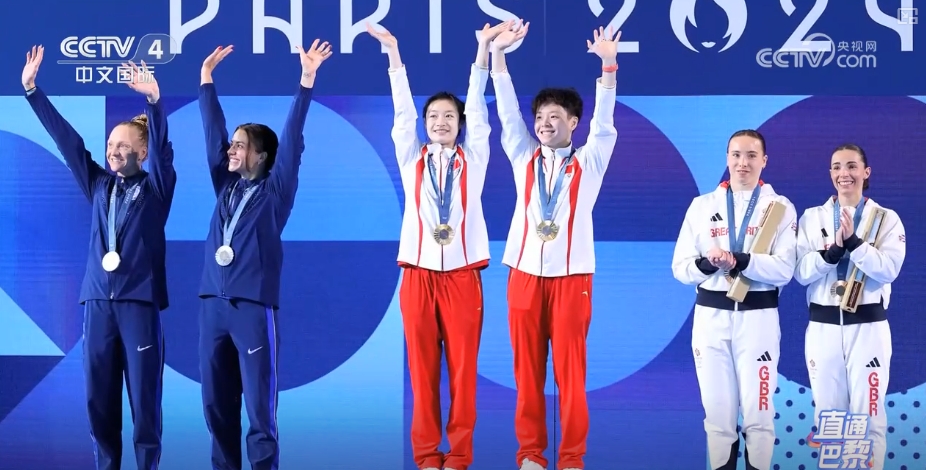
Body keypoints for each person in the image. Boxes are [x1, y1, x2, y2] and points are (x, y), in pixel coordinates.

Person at [364, 19, 509, 470]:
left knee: (464, 374)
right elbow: (400, 113)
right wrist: (393, 55)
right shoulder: (412, 158)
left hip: (463, 278)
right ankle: (427, 456)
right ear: (424, 125)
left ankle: (459, 455)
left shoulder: (475, 158)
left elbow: (480, 111)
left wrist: (482, 52)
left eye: (449, 116)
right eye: (433, 117)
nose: (440, 122)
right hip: (417, 277)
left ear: (460, 124)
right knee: (422, 374)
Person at [22, 46, 175, 470]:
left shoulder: (157, 188)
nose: (113, 151)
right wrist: (33, 91)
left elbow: (164, 153)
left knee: (144, 401)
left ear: (142, 152)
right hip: (97, 305)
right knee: (98, 400)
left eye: (123, 146)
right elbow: (68, 142)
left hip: (138, 304)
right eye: (110, 144)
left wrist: (154, 100)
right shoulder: (99, 186)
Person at [490, 21, 619, 470]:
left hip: (571, 280)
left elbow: (605, 124)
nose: (545, 125)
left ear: (573, 123)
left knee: (570, 375)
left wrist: (607, 67)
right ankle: (530, 455)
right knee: (527, 374)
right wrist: (498, 56)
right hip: (523, 277)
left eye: (555, 118)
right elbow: (507, 112)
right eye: (541, 118)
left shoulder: (590, 162)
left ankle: (571, 458)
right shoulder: (522, 155)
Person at [196, 40, 331, 470]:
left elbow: (291, 140)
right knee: (216, 408)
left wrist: (306, 81)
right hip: (212, 307)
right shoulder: (226, 186)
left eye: (240, 145)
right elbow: (212, 135)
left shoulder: (276, 192)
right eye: (233, 144)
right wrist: (206, 81)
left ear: (261, 155)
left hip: (252, 309)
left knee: (258, 410)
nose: (231, 150)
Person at [671, 129, 797, 470]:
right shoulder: (702, 206)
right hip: (711, 320)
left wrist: (740, 260)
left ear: (764, 161)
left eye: (751, 155)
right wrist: (707, 264)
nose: (743, 163)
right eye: (737, 155)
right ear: (727, 158)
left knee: (759, 415)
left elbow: (785, 269)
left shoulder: (780, 207)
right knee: (717, 418)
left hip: (758, 319)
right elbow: (680, 268)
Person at [796, 144, 905, 470]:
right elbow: (800, 272)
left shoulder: (886, 219)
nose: (844, 173)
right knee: (830, 419)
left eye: (852, 166)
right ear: (830, 173)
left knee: (869, 416)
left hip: (867, 328)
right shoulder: (812, 218)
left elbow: (889, 269)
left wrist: (855, 244)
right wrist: (829, 255)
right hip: (823, 328)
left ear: (866, 172)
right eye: (837, 167)